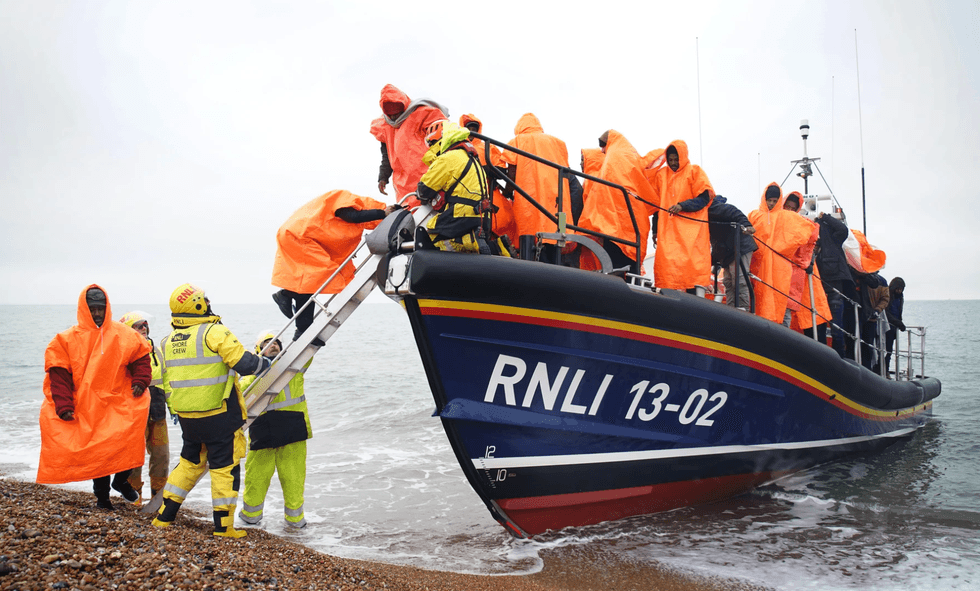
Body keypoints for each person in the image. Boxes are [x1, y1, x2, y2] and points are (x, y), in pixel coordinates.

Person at [152, 284, 272, 539]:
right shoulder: (214, 332)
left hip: (188, 419)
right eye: (204, 300)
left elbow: (169, 379)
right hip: (218, 415)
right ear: (197, 305)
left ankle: (164, 516)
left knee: (189, 463)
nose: (207, 302)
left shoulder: (167, 341)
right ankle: (224, 527)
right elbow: (245, 364)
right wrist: (266, 363)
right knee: (224, 468)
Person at [38, 285, 151, 510]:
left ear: (107, 308)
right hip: (87, 406)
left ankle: (121, 481)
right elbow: (58, 374)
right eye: (92, 309)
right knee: (98, 453)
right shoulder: (65, 339)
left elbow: (141, 358)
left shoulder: (124, 334)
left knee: (128, 442)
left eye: (101, 308)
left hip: (119, 401)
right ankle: (102, 499)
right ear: (83, 309)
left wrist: (140, 381)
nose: (97, 314)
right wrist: (63, 405)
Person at [271, 190, 396, 343]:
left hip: (298, 235)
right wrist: (382, 213)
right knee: (315, 279)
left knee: (309, 285)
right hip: (300, 236)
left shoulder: (343, 208)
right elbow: (352, 216)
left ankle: (303, 330)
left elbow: (333, 230)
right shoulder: (346, 199)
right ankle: (287, 295)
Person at [238, 332, 313, 530]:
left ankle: (296, 521)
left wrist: (305, 333)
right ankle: (250, 518)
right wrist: (261, 372)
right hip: (264, 431)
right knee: (256, 477)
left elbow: (310, 352)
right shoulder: (251, 373)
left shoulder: (294, 366)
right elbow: (242, 390)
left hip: (292, 429)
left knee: (294, 478)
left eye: (276, 343)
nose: (273, 345)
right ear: (258, 350)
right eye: (267, 343)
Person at [417, 120, 504, 255]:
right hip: (482, 215)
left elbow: (424, 190)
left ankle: (472, 243)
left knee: (433, 232)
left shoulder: (448, 158)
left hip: (463, 213)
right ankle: (498, 247)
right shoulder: (471, 158)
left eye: (431, 144)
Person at [577, 130, 656, 272]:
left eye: (603, 146)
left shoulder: (612, 160)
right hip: (631, 222)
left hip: (615, 225)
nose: (602, 150)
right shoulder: (630, 155)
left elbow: (601, 197)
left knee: (614, 266)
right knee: (627, 267)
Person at [648, 140, 715, 292]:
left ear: (683, 157)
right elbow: (657, 206)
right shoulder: (661, 176)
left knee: (692, 277)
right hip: (668, 235)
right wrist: (654, 231)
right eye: (670, 160)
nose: (673, 163)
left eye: (676, 159)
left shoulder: (694, 171)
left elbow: (704, 198)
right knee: (668, 275)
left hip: (692, 236)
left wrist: (682, 206)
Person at [499, 113, 572, 252]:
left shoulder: (517, 141)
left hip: (529, 200)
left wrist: (507, 191)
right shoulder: (558, 143)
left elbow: (512, 173)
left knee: (530, 240)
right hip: (557, 202)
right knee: (556, 240)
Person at [119, 311, 171, 501]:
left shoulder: (156, 351)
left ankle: (158, 497)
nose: (143, 328)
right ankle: (134, 497)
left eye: (145, 325)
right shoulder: (122, 352)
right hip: (133, 412)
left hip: (157, 411)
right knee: (133, 457)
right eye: (138, 325)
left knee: (161, 456)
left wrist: (173, 408)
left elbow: (166, 380)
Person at [370, 84, 448, 202]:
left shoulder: (423, 113)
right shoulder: (384, 127)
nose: (394, 117)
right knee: (411, 215)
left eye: (397, 112)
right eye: (390, 115)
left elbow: (442, 138)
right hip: (403, 185)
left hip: (429, 176)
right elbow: (386, 156)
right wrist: (383, 177)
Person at [748, 184, 814, 324]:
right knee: (759, 303)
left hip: (779, 269)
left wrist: (785, 249)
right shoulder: (754, 215)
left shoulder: (787, 216)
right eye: (769, 200)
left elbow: (810, 231)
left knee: (780, 303)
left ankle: (782, 340)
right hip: (758, 267)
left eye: (774, 200)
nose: (771, 203)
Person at [459, 113, 517, 244]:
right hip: (465, 195)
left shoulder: (487, 147)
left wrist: (479, 170)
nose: (472, 131)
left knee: (503, 220)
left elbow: (501, 169)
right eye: (469, 128)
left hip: (487, 192)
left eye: (475, 128)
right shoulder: (457, 148)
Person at [782, 194, 831, 340]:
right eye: (787, 207)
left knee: (815, 332)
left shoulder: (804, 231)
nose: (789, 211)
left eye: (793, 208)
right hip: (792, 292)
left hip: (807, 295)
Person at [706, 195, 756, 309]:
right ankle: (731, 309)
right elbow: (716, 242)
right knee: (728, 282)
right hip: (727, 251)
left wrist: (747, 225)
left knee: (739, 279)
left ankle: (743, 309)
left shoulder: (716, 208)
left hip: (741, 247)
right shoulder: (707, 215)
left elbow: (735, 213)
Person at [814, 210, 852, 357]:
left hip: (834, 286)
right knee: (818, 326)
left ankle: (840, 359)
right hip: (816, 288)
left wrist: (826, 218)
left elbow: (843, 230)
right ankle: (822, 359)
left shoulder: (833, 239)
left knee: (837, 328)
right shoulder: (809, 244)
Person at [884, 277, 907, 372]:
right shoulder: (888, 295)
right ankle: (883, 369)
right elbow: (886, 312)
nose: (899, 291)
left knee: (889, 351)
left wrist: (899, 322)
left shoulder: (900, 297)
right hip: (886, 326)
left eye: (901, 289)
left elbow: (898, 312)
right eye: (897, 289)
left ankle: (886, 370)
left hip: (893, 327)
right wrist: (898, 322)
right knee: (884, 350)